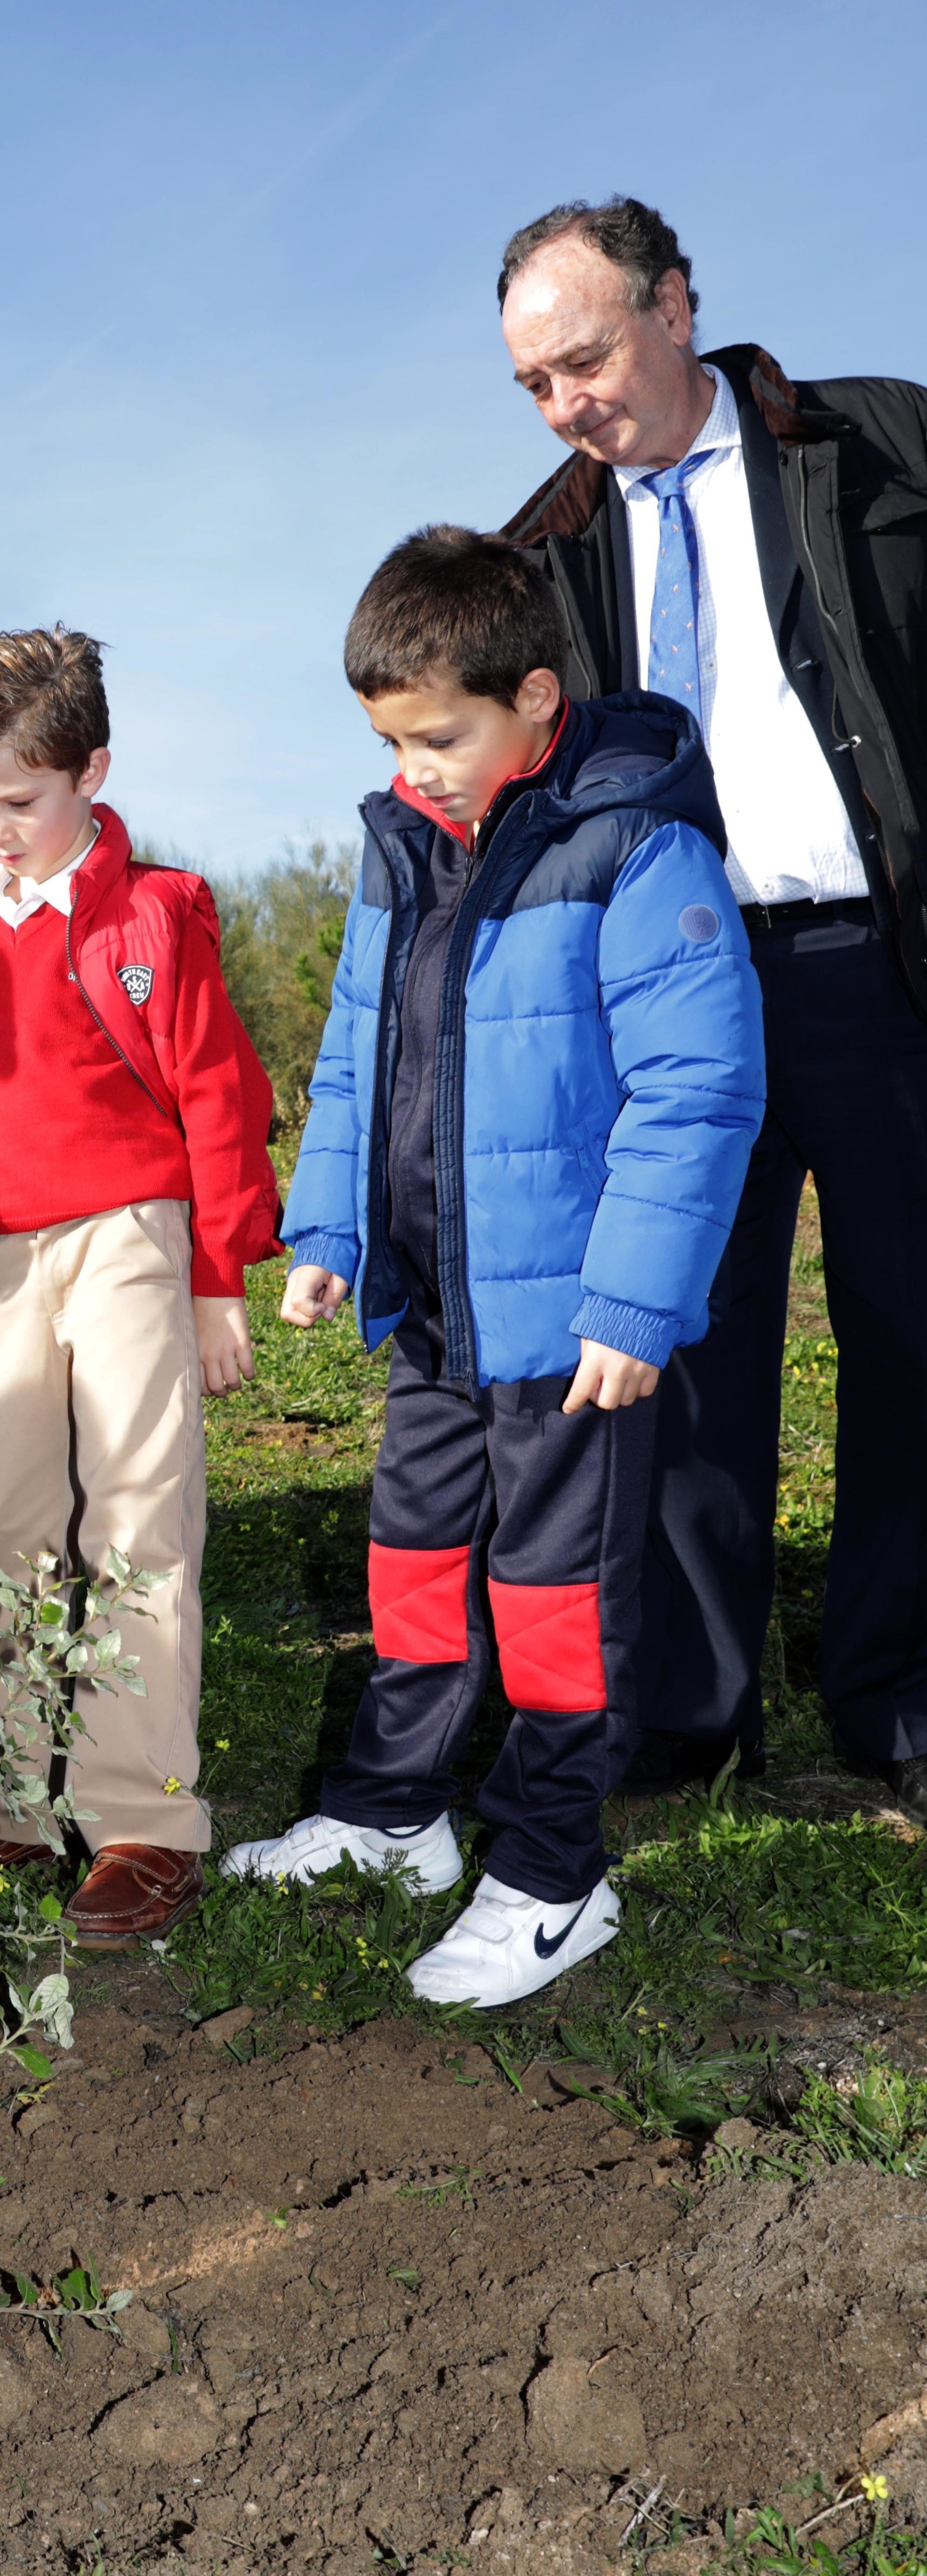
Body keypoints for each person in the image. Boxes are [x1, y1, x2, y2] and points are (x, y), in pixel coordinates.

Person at [231, 529, 763, 2009]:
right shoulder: (404, 847)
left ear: (534, 697)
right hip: (432, 1309)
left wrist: (634, 1303)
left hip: (568, 1330)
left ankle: (550, 1871)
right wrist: (330, 1234)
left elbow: (698, 1090)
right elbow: (354, 1056)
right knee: (410, 1565)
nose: (418, 769)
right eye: (392, 743)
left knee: (552, 1601)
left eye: (440, 737)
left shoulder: (637, 845)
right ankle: (393, 1811)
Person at [496, 200, 927, 1805]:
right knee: (680, 1337)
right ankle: (684, 1707)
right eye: (533, 383)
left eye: (584, 359)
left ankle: (896, 1692)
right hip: (673, 998)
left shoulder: (879, 446)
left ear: (672, 305)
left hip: (876, 967)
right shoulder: (539, 553)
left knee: (911, 1327)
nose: (566, 405)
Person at [0, 629, 280, 1949]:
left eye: (19, 801)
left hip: (132, 1234)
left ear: (91, 772)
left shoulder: (154, 913)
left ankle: (142, 1819)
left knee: (137, 1523)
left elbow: (220, 1095)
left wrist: (217, 1278)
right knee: (10, 1523)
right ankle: (11, 1798)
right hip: (4, 1251)